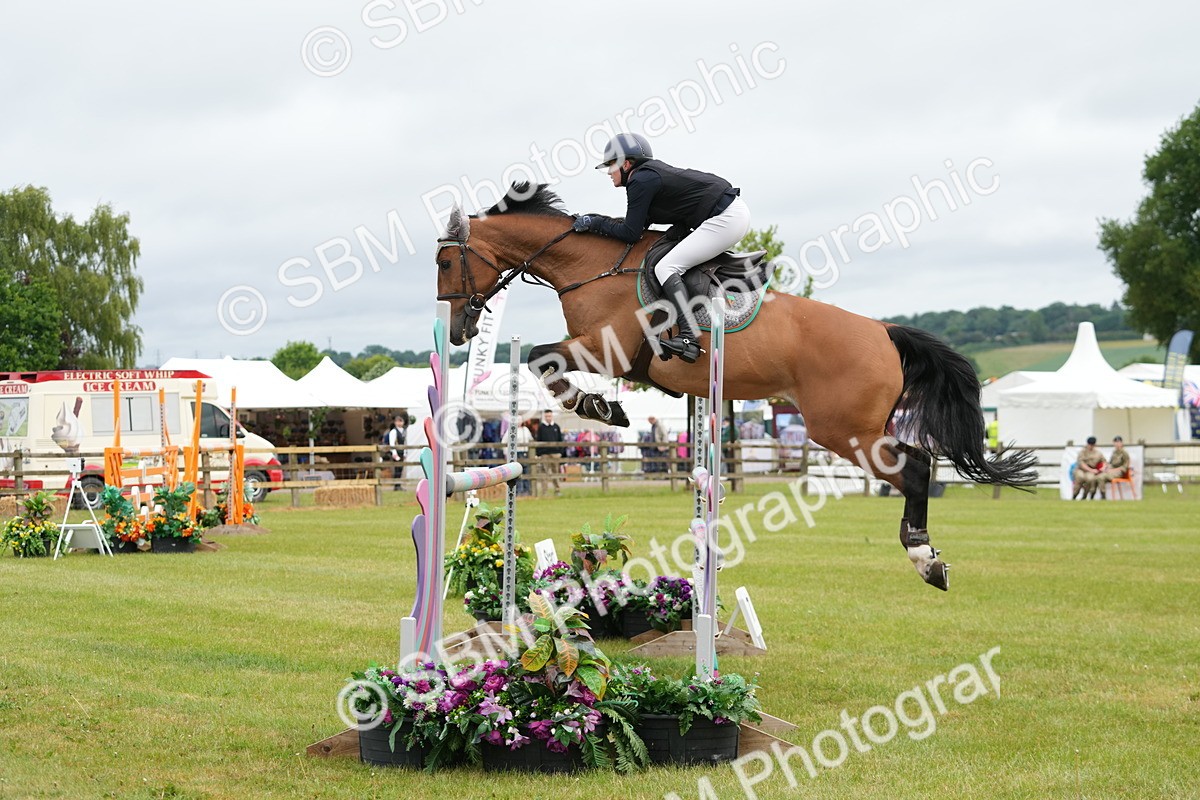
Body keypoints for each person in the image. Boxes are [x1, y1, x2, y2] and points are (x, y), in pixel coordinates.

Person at [573, 132, 751, 364]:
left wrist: (594, 222)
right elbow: (637, 227)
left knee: (666, 267)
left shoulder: (640, 181)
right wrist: (594, 222)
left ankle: (688, 338)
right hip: (728, 214)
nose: (608, 172)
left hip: (726, 219)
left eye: (610, 165)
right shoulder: (646, 178)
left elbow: (630, 233)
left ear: (626, 164)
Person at [534, 409, 564, 496]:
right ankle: (544, 491)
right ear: (544, 417)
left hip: (555, 453)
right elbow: (538, 440)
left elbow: (560, 440)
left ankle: (557, 490)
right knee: (544, 473)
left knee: (555, 472)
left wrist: (560, 452)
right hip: (545, 454)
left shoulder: (556, 427)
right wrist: (539, 453)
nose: (548, 418)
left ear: (552, 416)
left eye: (549, 416)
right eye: (546, 416)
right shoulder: (541, 427)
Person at [386, 414, 407, 489]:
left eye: (401, 421)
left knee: (400, 469)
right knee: (397, 469)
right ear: (395, 422)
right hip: (396, 452)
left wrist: (405, 452)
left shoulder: (404, 431)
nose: (399, 423)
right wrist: (394, 453)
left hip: (401, 452)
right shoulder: (393, 431)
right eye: (398, 421)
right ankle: (396, 485)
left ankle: (398, 485)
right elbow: (392, 443)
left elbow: (404, 442)